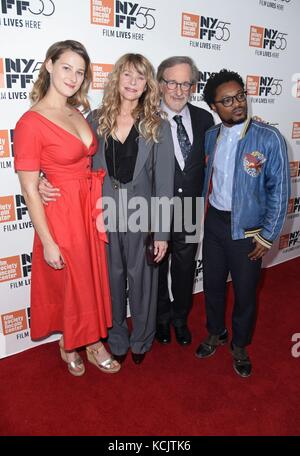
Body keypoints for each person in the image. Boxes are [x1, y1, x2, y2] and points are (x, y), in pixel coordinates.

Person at [40, 53, 175, 365]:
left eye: (139, 77)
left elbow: (165, 185)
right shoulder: (95, 119)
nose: (132, 83)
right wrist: (44, 180)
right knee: (110, 280)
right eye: (127, 75)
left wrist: (163, 234)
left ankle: (141, 340)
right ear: (117, 78)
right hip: (102, 214)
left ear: (147, 85)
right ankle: (116, 338)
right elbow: (72, 161)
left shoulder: (158, 126)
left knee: (143, 283)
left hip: (143, 215)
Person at [14, 40, 120, 376]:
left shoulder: (76, 112)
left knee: (89, 278)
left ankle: (90, 340)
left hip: (87, 207)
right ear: (48, 65)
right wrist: (47, 241)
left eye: (79, 71)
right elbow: (30, 188)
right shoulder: (31, 122)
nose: (73, 77)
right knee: (71, 281)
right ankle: (70, 342)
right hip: (61, 214)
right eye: (66, 67)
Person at [195, 69, 290, 377]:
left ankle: (239, 345)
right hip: (216, 224)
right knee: (212, 287)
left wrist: (267, 236)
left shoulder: (269, 137)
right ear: (213, 107)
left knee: (246, 293)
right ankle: (216, 332)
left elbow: (281, 189)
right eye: (227, 100)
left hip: (248, 231)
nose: (237, 104)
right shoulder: (211, 136)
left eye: (239, 96)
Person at [155, 56, 214, 346]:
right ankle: (161, 319)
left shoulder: (205, 118)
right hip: (152, 210)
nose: (179, 90)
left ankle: (180, 318)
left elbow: (223, 151)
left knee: (184, 268)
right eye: (172, 82)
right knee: (156, 269)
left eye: (186, 83)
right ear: (159, 84)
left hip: (190, 209)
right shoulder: (146, 118)